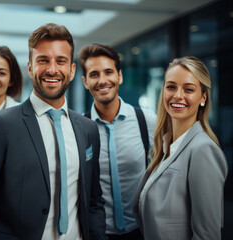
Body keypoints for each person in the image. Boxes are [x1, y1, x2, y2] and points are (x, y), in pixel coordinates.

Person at [0, 23, 106, 240]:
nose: (52, 69)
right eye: (43, 60)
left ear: (71, 71)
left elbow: (94, 200)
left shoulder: (88, 129)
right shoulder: (1, 125)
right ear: (31, 68)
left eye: (60, 61)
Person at [133, 56, 228, 239]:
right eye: (171, 87)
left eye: (189, 89)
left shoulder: (202, 150)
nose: (178, 95)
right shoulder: (164, 146)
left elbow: (207, 235)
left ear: (203, 97)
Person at [78, 44, 156, 240]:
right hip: (98, 234)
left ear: (119, 76)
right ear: (85, 82)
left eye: (109, 72)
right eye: (94, 74)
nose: (103, 80)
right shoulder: (78, 128)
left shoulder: (147, 121)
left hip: (143, 232)